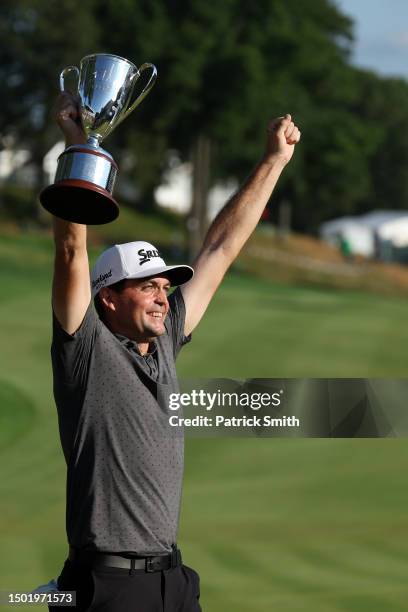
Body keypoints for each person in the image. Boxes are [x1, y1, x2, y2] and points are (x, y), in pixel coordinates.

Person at [48, 91, 301, 612]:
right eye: (147, 288)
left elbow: (221, 249)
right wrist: (79, 145)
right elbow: (72, 248)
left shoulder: (163, 341)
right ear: (107, 298)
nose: (164, 299)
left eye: (165, 288)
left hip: (174, 581)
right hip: (108, 586)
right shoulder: (85, 349)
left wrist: (273, 161)